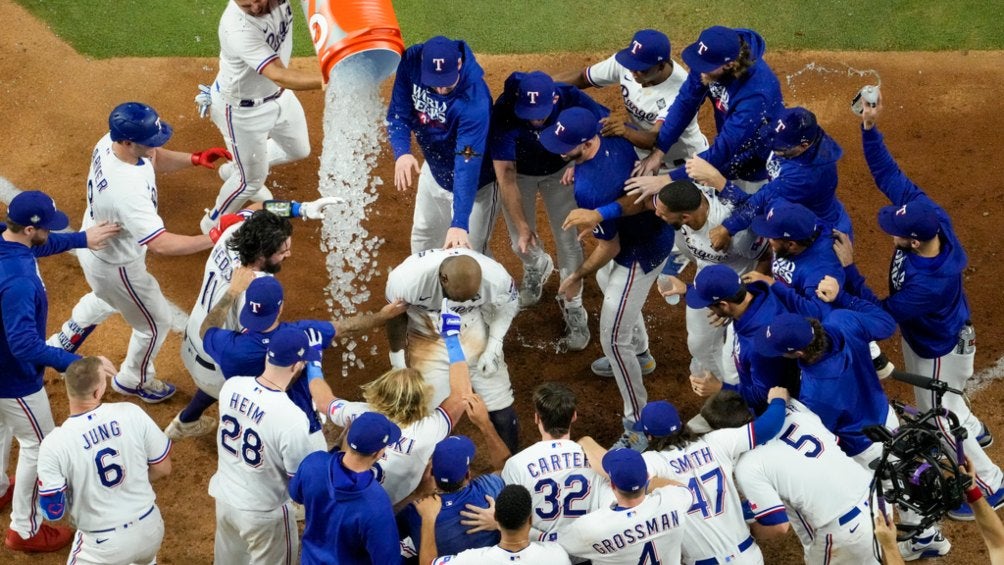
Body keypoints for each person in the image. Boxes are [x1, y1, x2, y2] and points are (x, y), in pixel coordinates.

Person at [857, 91, 1004, 518]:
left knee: (938, 416)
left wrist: (849, 271)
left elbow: (883, 315)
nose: (890, 232)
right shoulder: (928, 215)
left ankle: (989, 485)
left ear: (915, 240)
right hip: (939, 338)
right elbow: (889, 175)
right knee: (951, 405)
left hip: (937, 350)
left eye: (896, 232)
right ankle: (976, 428)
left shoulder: (930, 283)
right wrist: (870, 129)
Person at [49, 101, 229, 403]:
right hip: (117, 264)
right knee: (155, 322)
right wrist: (212, 237)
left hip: (98, 246)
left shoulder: (111, 141)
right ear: (128, 141)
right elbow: (160, 243)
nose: (154, 146)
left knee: (107, 297)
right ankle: (135, 379)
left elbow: (153, 157)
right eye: (149, 141)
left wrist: (194, 158)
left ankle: (61, 342)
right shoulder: (128, 192)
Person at [541, 107, 676, 449]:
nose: (558, 150)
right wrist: (576, 164)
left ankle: (638, 424)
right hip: (651, 232)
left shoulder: (591, 190)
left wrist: (575, 275)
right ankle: (643, 355)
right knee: (607, 286)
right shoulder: (615, 135)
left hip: (638, 253)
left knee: (614, 340)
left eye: (566, 146)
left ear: (587, 144)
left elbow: (610, 247)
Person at [1, 190, 119, 553]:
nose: (49, 233)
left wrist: (82, 239)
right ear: (28, 230)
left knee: (2, 425)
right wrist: (78, 364)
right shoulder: (19, 281)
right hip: (13, 378)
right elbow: (23, 345)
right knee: (40, 443)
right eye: (45, 228)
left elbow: (38, 247)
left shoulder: (8, 243)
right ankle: (25, 527)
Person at [579, 391, 789, 565]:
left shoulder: (652, 462)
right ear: (680, 424)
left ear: (649, 436)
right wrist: (778, 399)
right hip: (749, 556)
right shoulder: (716, 442)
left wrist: (585, 441)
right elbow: (768, 427)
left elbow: (612, 468)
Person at [308, 303, 478, 507]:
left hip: (344, 500)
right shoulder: (428, 430)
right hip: (393, 510)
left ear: (381, 389)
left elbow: (323, 401)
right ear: (421, 399)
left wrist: (313, 358)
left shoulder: (361, 415)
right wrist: (451, 338)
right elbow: (462, 395)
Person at [489, 70, 608, 350]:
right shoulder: (505, 111)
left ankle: (574, 306)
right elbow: (505, 175)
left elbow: (601, 127)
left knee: (568, 240)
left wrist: (580, 166)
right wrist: (521, 226)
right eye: (529, 113)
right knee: (521, 243)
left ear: (554, 97)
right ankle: (534, 268)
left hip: (561, 171)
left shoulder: (569, 96)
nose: (535, 119)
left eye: (541, 112)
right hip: (521, 175)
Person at [703, 391, 878, 564]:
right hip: (876, 498)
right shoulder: (795, 413)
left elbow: (778, 527)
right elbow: (834, 444)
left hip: (847, 531)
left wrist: (740, 530)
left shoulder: (746, 467)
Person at [197, 0, 324, 233]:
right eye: (246, 5)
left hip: (280, 97)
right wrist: (328, 79)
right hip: (242, 111)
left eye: (257, 1)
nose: (255, 9)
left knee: (299, 150)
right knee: (251, 181)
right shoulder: (237, 27)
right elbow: (277, 73)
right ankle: (212, 223)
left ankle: (236, 168)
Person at [37, 356, 172, 564]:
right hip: (150, 529)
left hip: (101, 547)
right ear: (98, 392)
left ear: (68, 391)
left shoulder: (54, 444)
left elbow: (53, 512)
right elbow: (163, 468)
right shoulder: (132, 413)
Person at [385, 248, 520, 452]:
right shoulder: (406, 279)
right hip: (426, 336)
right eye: (457, 297)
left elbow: (508, 305)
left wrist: (494, 345)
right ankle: (433, 477)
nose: (460, 302)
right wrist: (397, 364)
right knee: (428, 418)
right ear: (444, 278)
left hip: (473, 329)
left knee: (501, 409)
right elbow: (395, 318)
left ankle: (509, 469)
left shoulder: (495, 277)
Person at [208, 327, 322, 564]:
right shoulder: (292, 417)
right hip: (264, 514)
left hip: (225, 500)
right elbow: (298, 484)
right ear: (296, 366)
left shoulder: (232, 387)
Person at [629, 26, 784, 195]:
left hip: (756, 157)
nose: (699, 69)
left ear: (730, 65)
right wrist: (659, 150)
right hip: (729, 141)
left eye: (705, 67)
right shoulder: (711, 57)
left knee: (744, 208)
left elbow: (724, 149)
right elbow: (686, 102)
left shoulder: (757, 93)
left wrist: (666, 180)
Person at [685, 106, 853, 250]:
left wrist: (727, 226)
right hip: (790, 210)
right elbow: (760, 149)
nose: (775, 148)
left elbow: (759, 204)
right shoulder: (787, 137)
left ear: (804, 146)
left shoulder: (807, 176)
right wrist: (724, 169)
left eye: (781, 147)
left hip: (815, 236)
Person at [387, 35, 497, 253]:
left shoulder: (476, 101)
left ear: (458, 64)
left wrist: (459, 222)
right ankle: (426, 288)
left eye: (447, 84)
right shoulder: (411, 62)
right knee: (422, 238)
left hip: (475, 186)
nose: (440, 91)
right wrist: (402, 152)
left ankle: (498, 287)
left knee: (470, 255)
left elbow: (467, 162)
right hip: (434, 172)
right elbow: (398, 114)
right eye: (435, 84)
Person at [554, 29, 708, 168]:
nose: (634, 73)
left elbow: (655, 139)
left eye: (642, 70)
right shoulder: (628, 63)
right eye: (632, 65)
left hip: (686, 164)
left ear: (661, 66)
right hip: (642, 161)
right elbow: (583, 77)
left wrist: (625, 132)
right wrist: (545, 86)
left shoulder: (681, 93)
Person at [290, 411, 403, 564]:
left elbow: (295, 494)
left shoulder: (313, 462)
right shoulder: (377, 504)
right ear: (378, 453)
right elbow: (388, 561)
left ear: (347, 437)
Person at [500, 382, 605, 546]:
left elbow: (513, 521)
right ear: (574, 416)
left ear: (537, 418)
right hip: (589, 552)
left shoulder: (516, 464)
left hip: (542, 553)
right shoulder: (597, 462)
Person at [684, 265, 800, 413]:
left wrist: (720, 388)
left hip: (770, 411)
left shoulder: (761, 344)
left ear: (724, 305)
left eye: (709, 306)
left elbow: (764, 396)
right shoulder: (755, 294)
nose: (708, 310)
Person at [558, 449, 692, 564]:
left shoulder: (591, 527)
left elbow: (558, 546)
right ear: (646, 476)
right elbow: (682, 488)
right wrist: (648, 483)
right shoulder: (672, 502)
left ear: (612, 485)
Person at [398, 434, 510, 561]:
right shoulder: (489, 487)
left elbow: (389, 531)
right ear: (468, 475)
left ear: (431, 472)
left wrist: (417, 493)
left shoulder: (414, 511)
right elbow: (507, 468)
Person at [422, 484, 571, 564]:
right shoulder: (557, 555)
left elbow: (428, 563)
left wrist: (428, 518)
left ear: (496, 518)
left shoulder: (470, 560)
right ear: (531, 520)